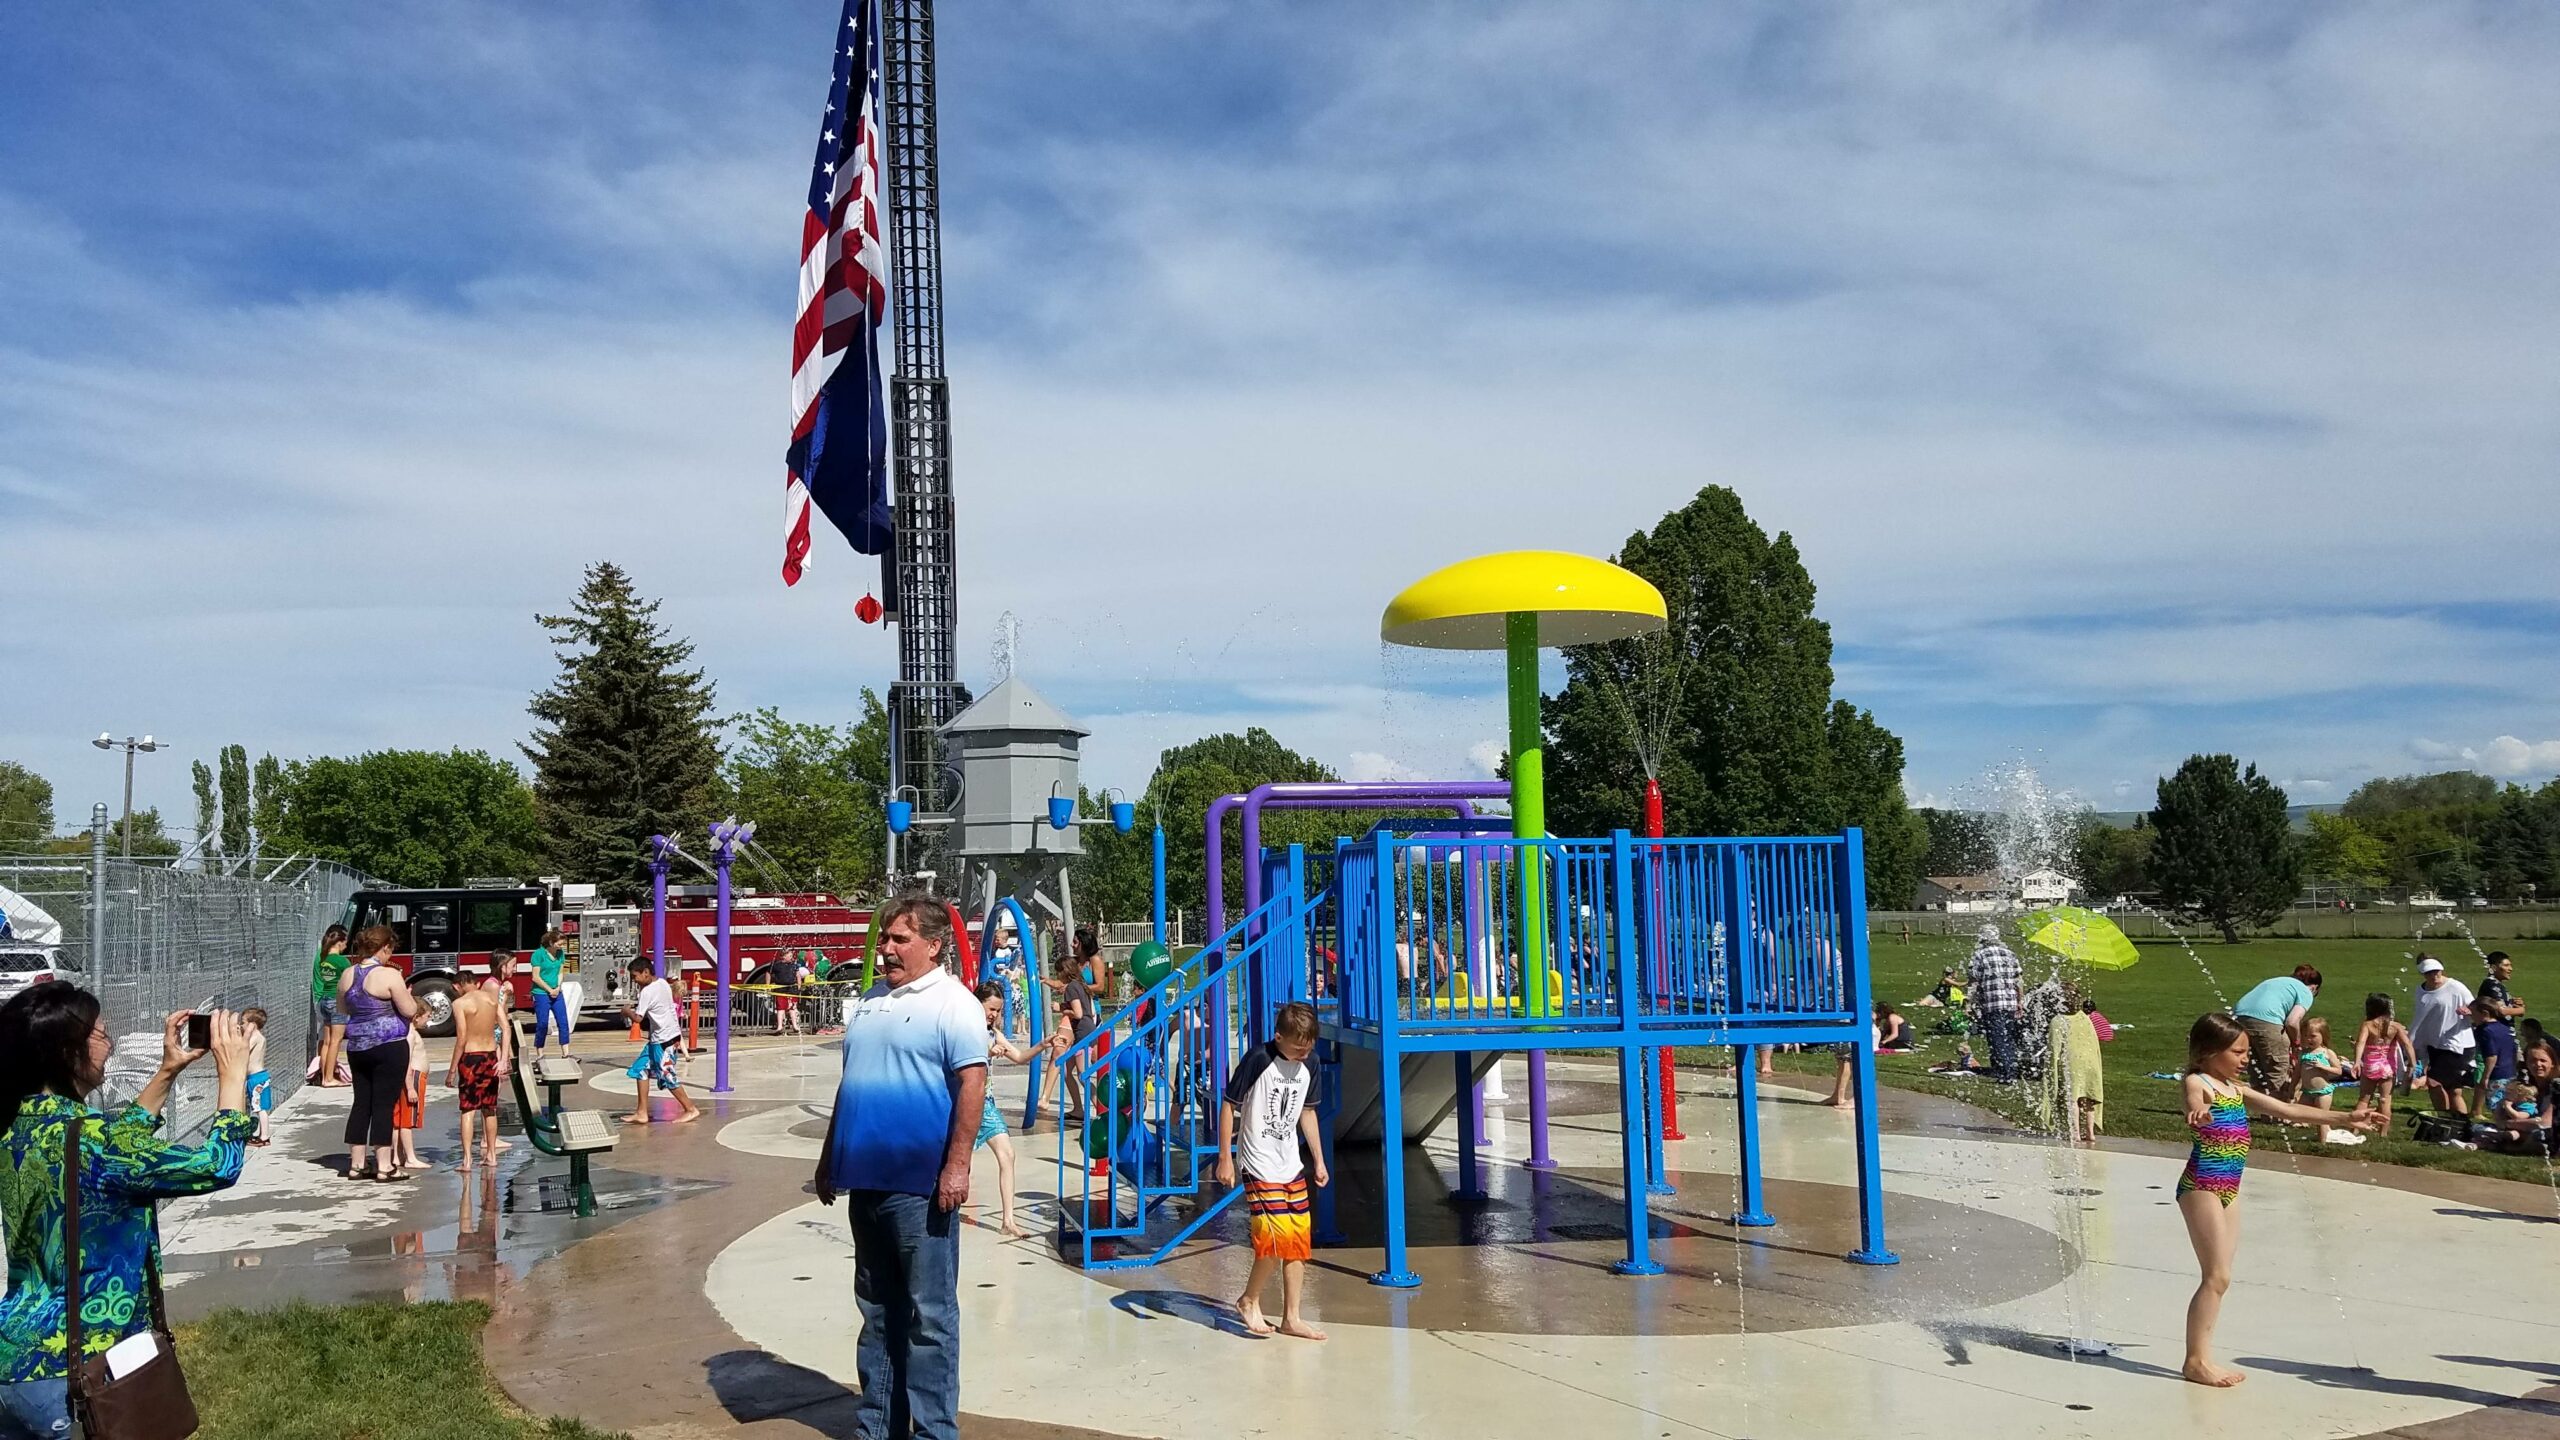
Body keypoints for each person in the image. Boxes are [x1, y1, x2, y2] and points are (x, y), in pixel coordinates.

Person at [0, 988, 256, 1440]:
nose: (111, 1043)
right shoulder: (97, 1142)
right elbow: (218, 1165)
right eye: (99, 1033)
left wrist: (168, 1071)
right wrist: (233, 1074)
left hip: (14, 1363)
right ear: (67, 1052)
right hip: (83, 1370)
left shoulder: (17, 1127)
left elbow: (106, 1148)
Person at [814, 895, 988, 1440]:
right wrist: (828, 1159)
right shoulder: (868, 1002)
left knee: (930, 1318)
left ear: (933, 946)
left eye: (899, 940)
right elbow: (852, 1083)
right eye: (884, 938)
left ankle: (934, 1432)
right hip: (866, 1182)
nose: (885, 949)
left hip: (921, 1188)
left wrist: (956, 1166)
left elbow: (973, 1085)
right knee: (877, 1312)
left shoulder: (953, 1004)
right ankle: (878, 1428)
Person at [2174, 1013, 2384, 1388]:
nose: (2244, 1059)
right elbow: (2193, 1101)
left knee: (2221, 1279)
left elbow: (2287, 1109)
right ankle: (2196, 1361)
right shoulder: (2199, 1081)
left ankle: (2201, 1355)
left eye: (2246, 1052)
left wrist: (2345, 1117)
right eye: (2237, 1051)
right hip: (2202, 1185)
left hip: (2229, 1188)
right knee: (2216, 1275)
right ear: (2208, 1051)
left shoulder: (2235, 1089)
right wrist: (2198, 1111)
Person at [1216, 1001, 1328, 1341]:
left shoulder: (1312, 1063)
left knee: (1297, 1240)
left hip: (1289, 1162)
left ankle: (1291, 1317)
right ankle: (1248, 1300)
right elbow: (1229, 1105)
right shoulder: (1259, 1059)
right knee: (1273, 1237)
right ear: (1278, 1037)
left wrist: (1319, 1160)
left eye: (1308, 1048)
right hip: (1258, 1162)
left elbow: (1307, 1112)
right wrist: (1225, 1157)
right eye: (1297, 1048)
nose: (1302, 1054)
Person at [973, 981, 1062, 1238]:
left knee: (1007, 1155)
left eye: (998, 1011)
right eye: (990, 1009)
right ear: (976, 1003)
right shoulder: (966, 1030)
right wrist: (988, 1052)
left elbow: (1020, 1057)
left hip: (986, 1105)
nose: (994, 1015)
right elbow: (969, 1054)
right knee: (957, 1163)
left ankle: (1008, 1220)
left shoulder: (994, 1034)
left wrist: (1042, 1046)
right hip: (964, 1105)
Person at [339, 924, 425, 1181]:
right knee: (384, 1105)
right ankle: (385, 1165)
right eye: (390, 950)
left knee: (361, 1102)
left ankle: (356, 1164)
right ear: (384, 947)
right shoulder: (388, 975)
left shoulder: (347, 974)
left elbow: (343, 1008)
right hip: (388, 1045)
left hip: (357, 1046)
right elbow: (410, 1010)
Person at [619, 958, 701, 1126]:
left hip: (665, 1040)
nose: (634, 981)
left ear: (646, 973)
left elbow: (638, 1018)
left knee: (667, 1075)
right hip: (662, 1037)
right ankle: (641, 1112)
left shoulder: (646, 992)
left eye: (635, 977)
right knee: (641, 1069)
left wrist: (626, 1011)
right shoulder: (662, 983)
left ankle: (690, 1108)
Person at [2229, 964, 2321, 1100]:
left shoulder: (2278, 981)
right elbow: (2292, 1022)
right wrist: (2296, 1042)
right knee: (2278, 1067)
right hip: (2267, 1020)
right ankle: (2279, 1113)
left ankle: (2263, 1111)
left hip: (2238, 1018)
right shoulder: (2306, 991)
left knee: (2256, 1067)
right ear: (2314, 987)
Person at [449, 969, 510, 1168]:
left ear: (457, 986)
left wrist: (452, 1070)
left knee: (468, 1110)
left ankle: (467, 1160)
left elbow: (462, 1038)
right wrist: (503, 1058)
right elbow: (505, 1028)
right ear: (476, 983)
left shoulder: (460, 1003)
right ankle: (491, 1155)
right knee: (489, 1108)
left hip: (470, 1058)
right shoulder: (492, 1000)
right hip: (490, 1056)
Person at [2410, 957, 2478, 1117]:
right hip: (2434, 1044)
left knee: (2443, 1084)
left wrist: (2469, 1012)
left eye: (2436, 971)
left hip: (2456, 1043)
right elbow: (2422, 1016)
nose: (2434, 976)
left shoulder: (2456, 987)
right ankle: (2446, 1118)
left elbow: (2476, 1007)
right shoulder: (2421, 990)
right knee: (2442, 1085)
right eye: (2429, 973)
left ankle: (2454, 1119)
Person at [1965, 924, 2024, 1082]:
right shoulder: (2009, 954)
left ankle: (2004, 1073)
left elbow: (1974, 981)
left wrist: (1969, 1003)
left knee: (1996, 1037)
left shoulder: (1979, 955)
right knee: (2009, 1037)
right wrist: (2020, 1001)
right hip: (2010, 1002)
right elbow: (2018, 981)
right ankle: (2011, 1068)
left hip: (1992, 1003)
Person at [2350, 993, 2416, 1128]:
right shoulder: (2395, 1026)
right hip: (2388, 1067)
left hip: (2371, 1065)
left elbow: (2361, 1043)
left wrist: (2357, 1061)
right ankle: (2383, 1132)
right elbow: (2407, 1045)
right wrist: (2412, 1063)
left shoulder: (2368, 1025)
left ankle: (2355, 1128)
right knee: (2385, 1099)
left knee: (2364, 1098)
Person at [309, 923, 352, 1087]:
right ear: (339, 942)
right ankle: (329, 1077)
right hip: (337, 1001)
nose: (346, 946)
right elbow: (350, 981)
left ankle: (324, 1074)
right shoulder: (342, 962)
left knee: (326, 1041)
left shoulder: (323, 959)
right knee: (336, 1040)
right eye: (345, 942)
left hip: (325, 1000)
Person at [392, 1012, 431, 1174]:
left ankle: (396, 1155)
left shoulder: (406, 1031)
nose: (428, 1019)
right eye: (427, 1015)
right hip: (413, 1077)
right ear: (416, 1016)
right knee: (406, 1120)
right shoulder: (410, 1033)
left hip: (411, 1076)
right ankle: (410, 1158)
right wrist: (410, 1087)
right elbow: (405, 1059)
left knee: (398, 1119)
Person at [2470, 996, 2518, 1121]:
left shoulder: (2485, 1031)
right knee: (2507, 1103)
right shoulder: (2505, 1028)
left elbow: (2492, 1056)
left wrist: (2485, 1077)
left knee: (2495, 1105)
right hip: (2510, 1072)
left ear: (2484, 1013)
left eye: (2474, 1013)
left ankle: (2504, 1130)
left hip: (2496, 1074)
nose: (2471, 1016)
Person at [528, 929, 573, 1056]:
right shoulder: (538, 954)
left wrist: (558, 987)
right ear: (551, 942)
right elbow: (535, 977)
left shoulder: (560, 954)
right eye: (559, 944)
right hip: (541, 992)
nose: (561, 946)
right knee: (542, 1023)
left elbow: (560, 972)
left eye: (563, 944)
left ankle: (566, 1053)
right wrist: (549, 990)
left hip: (557, 991)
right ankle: (540, 1053)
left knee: (563, 1021)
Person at [242, 1006, 274, 1146]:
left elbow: (244, 1049)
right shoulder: (260, 1037)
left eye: (243, 1022)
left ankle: (265, 1136)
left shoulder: (255, 1037)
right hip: (257, 1077)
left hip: (256, 1078)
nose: (241, 1025)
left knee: (260, 1108)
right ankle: (261, 1133)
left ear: (252, 1025)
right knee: (259, 1107)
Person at [2479, 951, 2524, 1020]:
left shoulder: (2497, 984)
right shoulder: (2491, 984)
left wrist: (2513, 1004)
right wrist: (2521, 1010)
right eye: (2506, 965)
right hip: (2495, 1029)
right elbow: (2501, 1011)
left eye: (2510, 965)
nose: (2510, 969)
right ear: (2494, 968)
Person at [772, 948, 807, 1037]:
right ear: (784, 956)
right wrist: (768, 985)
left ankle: (795, 1026)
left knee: (792, 1008)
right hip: (780, 989)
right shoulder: (777, 965)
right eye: (790, 956)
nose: (792, 957)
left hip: (792, 989)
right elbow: (769, 973)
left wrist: (799, 986)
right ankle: (780, 1026)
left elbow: (798, 975)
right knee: (780, 1008)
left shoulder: (794, 965)